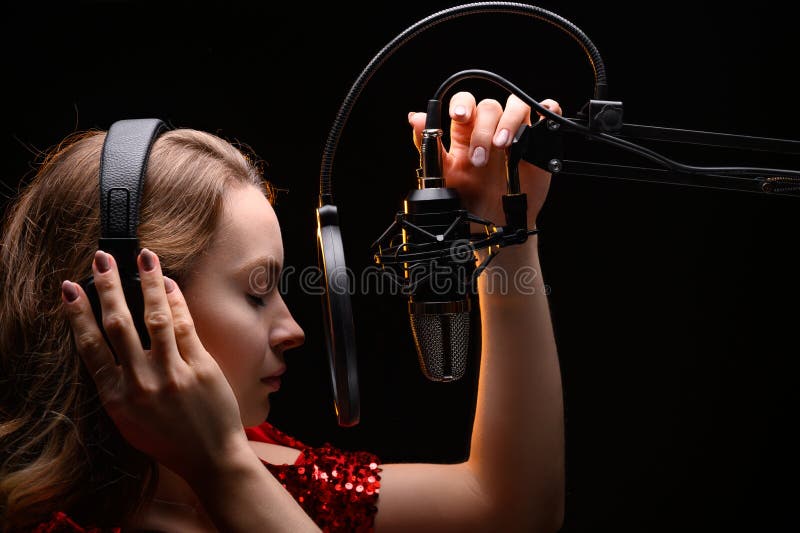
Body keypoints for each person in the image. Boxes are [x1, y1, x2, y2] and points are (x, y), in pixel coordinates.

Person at [0, 92, 565, 532]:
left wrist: (505, 229)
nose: (295, 330)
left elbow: (510, 508)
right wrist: (223, 466)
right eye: (255, 291)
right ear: (122, 307)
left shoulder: (273, 468)